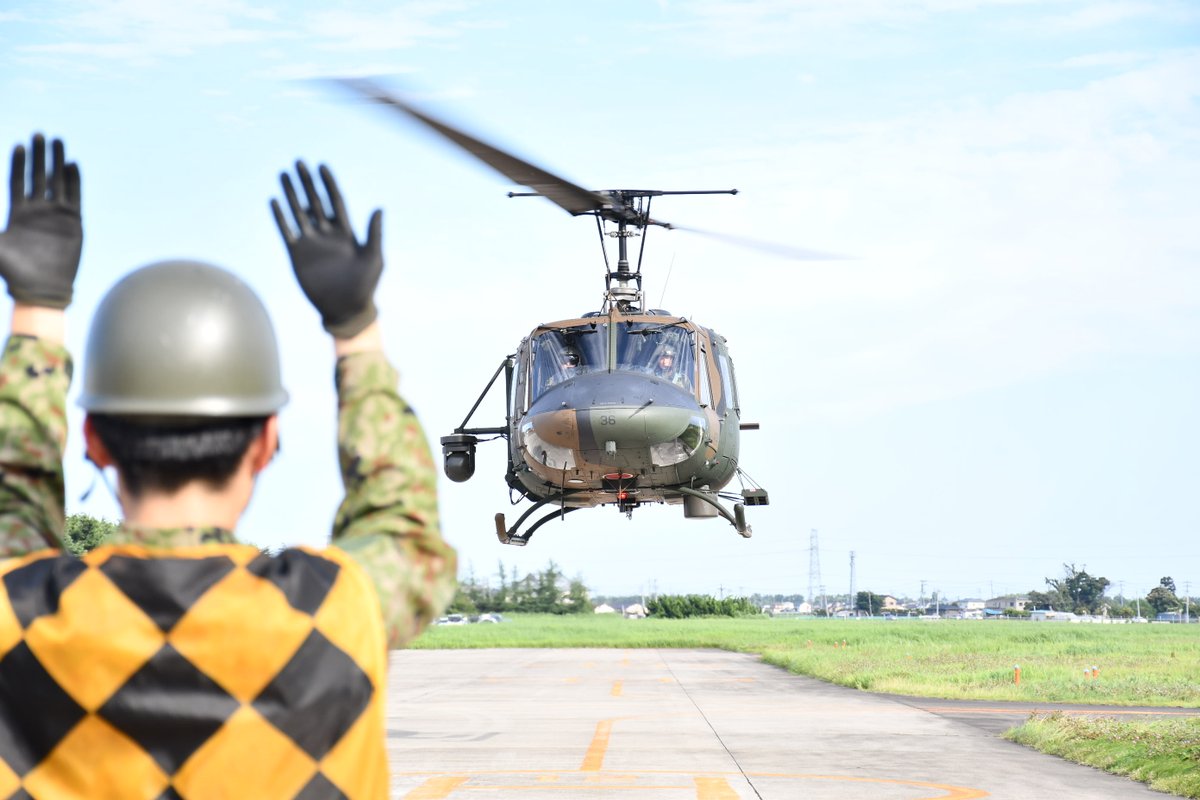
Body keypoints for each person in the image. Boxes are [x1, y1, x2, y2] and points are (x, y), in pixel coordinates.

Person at [0, 135, 456, 798]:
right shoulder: (338, 610)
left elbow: (12, 496)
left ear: (92, 439)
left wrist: (38, 306)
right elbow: (403, 519)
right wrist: (355, 327)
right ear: (267, 441)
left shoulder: (17, 613)